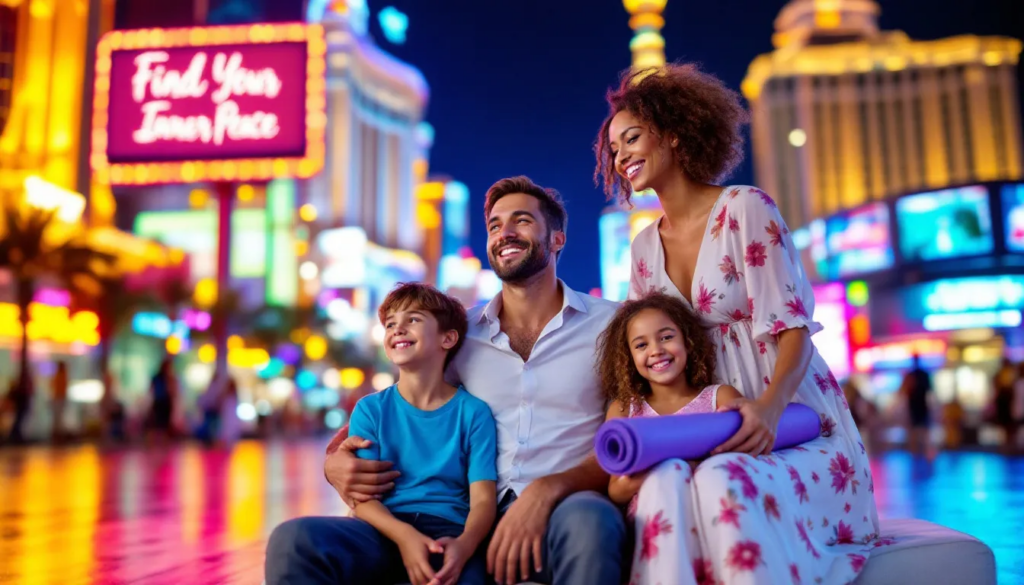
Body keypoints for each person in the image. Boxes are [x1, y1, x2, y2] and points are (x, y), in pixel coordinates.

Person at [594, 64, 880, 584]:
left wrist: (769, 411)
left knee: (725, 479)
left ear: (675, 133)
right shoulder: (641, 249)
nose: (620, 156)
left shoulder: (746, 208)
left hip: (789, 418)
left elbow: (793, 328)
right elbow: (644, 349)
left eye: (631, 138)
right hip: (703, 427)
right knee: (669, 482)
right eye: (614, 149)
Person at [268, 176, 628, 585]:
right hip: (467, 517)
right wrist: (334, 463)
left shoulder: (610, 325)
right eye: (494, 225)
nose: (505, 233)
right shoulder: (461, 333)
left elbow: (628, 428)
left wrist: (547, 490)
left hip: (563, 506)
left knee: (592, 519)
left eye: (522, 221)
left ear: (558, 239)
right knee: (297, 541)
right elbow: (400, 405)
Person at [269, 283, 496, 585]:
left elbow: (483, 500)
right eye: (390, 324)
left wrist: (466, 545)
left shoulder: (474, 413)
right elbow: (362, 497)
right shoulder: (371, 409)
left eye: (413, 319)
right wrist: (405, 537)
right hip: (380, 531)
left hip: (448, 534)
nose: (398, 329)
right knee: (292, 537)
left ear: (448, 337)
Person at [598, 293, 743, 520]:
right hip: (655, 524)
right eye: (641, 345)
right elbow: (616, 491)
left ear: (687, 341)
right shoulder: (624, 411)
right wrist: (663, 469)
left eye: (666, 337)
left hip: (714, 516)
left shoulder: (721, 399)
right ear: (628, 357)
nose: (655, 350)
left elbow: (743, 464)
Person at [899, 354, 933, 457]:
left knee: (915, 432)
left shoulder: (911, 375)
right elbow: (930, 391)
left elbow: (903, 391)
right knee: (923, 432)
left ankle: (916, 453)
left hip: (915, 407)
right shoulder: (923, 374)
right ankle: (924, 453)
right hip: (921, 407)